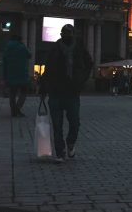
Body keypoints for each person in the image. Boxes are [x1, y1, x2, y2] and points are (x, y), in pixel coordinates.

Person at [40, 24, 93, 164]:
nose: (66, 35)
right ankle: (59, 152)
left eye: (69, 33)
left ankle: (70, 143)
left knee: (75, 123)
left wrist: (81, 79)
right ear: (61, 34)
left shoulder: (79, 48)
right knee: (57, 125)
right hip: (56, 91)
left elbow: (89, 63)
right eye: (64, 32)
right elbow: (48, 68)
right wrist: (43, 89)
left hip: (72, 90)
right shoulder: (55, 48)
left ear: (73, 34)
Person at [2, 33, 31, 117]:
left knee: (12, 94)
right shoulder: (22, 47)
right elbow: (29, 55)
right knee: (24, 92)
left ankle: (13, 112)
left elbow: (4, 63)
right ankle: (18, 108)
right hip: (22, 74)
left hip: (10, 75)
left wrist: (4, 75)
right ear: (20, 40)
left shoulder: (6, 49)